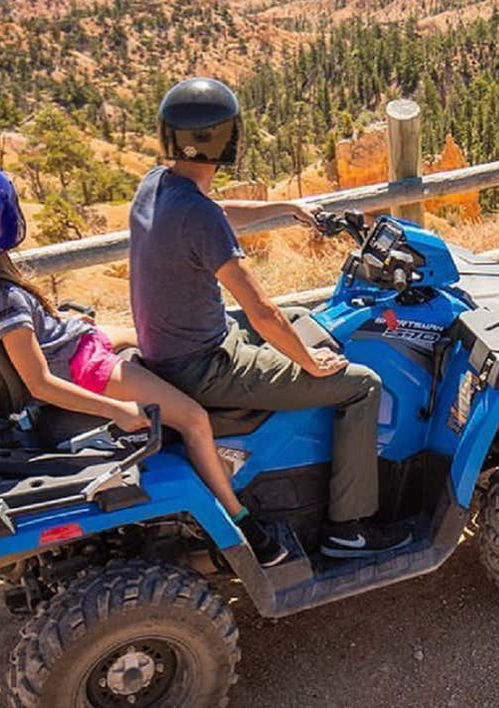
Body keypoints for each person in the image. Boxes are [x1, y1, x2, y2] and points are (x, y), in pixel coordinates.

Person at [0, 163, 289, 567]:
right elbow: (40, 383)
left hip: (72, 345)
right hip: (83, 366)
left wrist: (62, 323)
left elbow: (31, 342)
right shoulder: (4, 297)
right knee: (193, 417)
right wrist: (117, 410)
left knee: (156, 336)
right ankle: (243, 524)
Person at [128, 77, 411, 559]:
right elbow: (262, 313)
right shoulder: (198, 217)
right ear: (228, 139)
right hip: (206, 366)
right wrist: (311, 363)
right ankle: (349, 529)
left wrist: (284, 208)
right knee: (361, 384)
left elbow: (216, 212)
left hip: (175, 350)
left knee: (305, 316)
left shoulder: (157, 185)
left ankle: (314, 441)